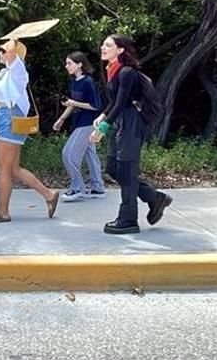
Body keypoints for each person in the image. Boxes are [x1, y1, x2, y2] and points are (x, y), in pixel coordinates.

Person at [90, 35, 172, 234]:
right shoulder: (112, 70)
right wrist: (102, 116)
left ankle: (128, 220)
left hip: (131, 123)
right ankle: (154, 197)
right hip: (119, 122)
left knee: (126, 171)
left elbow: (121, 103)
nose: (103, 47)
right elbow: (114, 101)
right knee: (113, 168)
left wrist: (102, 130)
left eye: (108, 45)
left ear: (120, 50)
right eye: (103, 44)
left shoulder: (127, 72)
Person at [0, 38, 59, 224]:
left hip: (9, 118)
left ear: (12, 53)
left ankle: (3, 211)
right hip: (2, 114)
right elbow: (2, 98)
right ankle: (49, 194)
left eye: (2, 50)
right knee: (12, 168)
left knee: (4, 168)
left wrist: (14, 38)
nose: (0, 53)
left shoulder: (18, 68)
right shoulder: (4, 73)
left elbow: (13, 53)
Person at [53, 51, 106, 202]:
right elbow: (73, 102)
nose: (66, 66)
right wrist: (61, 119)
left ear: (79, 65)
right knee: (90, 154)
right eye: (66, 63)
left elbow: (95, 106)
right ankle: (98, 188)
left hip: (88, 123)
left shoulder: (88, 82)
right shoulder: (75, 82)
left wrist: (73, 103)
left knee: (68, 154)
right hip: (80, 122)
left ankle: (77, 188)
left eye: (69, 63)